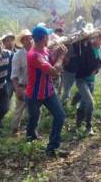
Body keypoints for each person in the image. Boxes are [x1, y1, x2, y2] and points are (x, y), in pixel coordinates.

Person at [25, 25, 68, 157]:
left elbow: (51, 60)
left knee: (60, 116)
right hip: (34, 94)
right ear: (44, 38)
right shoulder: (34, 55)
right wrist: (61, 57)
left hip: (48, 91)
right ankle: (30, 139)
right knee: (34, 117)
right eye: (47, 36)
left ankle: (52, 147)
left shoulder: (44, 49)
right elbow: (54, 71)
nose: (49, 38)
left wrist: (58, 54)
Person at [74, 27, 101, 136]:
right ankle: (89, 126)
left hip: (91, 80)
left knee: (83, 103)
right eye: (97, 38)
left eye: (100, 38)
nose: (99, 40)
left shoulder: (99, 50)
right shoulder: (84, 48)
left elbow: (99, 64)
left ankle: (78, 123)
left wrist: (97, 69)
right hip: (81, 80)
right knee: (90, 102)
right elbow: (83, 63)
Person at [10, 29, 33, 136]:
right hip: (23, 86)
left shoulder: (36, 52)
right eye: (26, 39)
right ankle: (14, 129)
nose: (29, 41)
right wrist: (17, 89)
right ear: (22, 42)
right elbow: (14, 74)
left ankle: (32, 131)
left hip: (35, 86)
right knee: (19, 109)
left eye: (30, 38)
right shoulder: (18, 55)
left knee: (34, 109)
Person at [2, 32, 16, 102]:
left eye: (11, 40)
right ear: (4, 43)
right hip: (7, 81)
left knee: (24, 101)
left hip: (18, 80)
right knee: (5, 102)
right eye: (7, 40)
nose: (10, 42)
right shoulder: (2, 54)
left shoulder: (18, 52)